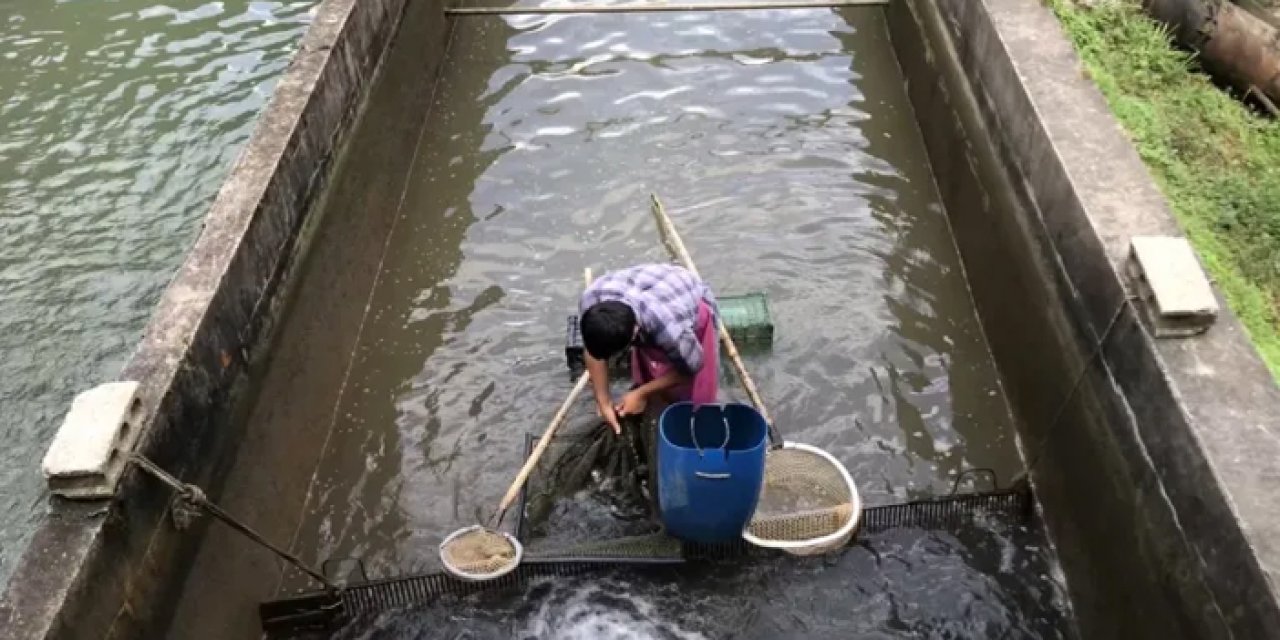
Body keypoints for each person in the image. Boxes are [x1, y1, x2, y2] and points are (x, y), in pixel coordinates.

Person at [579, 263, 720, 435]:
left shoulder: (670, 329)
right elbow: (593, 352)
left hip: (686, 293)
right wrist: (603, 401)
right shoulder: (591, 301)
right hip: (651, 283)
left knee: (688, 395)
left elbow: (692, 369)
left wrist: (641, 393)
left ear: (635, 333)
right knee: (653, 384)